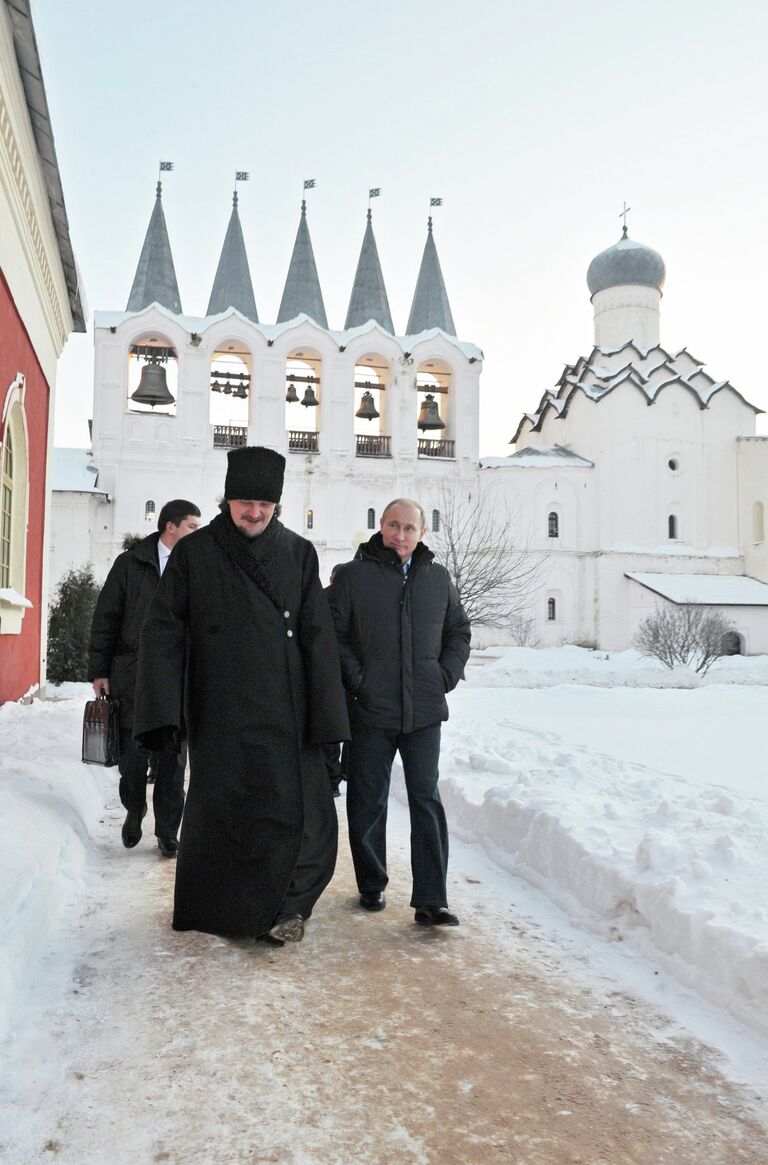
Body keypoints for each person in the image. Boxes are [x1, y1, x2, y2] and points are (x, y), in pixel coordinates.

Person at [133, 446, 349, 946]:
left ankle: (288, 907)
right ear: (227, 499)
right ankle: (221, 908)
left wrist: (329, 720)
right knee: (225, 813)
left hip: (286, 707)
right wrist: (162, 712)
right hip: (219, 706)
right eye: (245, 502)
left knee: (293, 810)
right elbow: (163, 631)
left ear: (278, 504)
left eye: (265, 504)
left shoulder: (298, 553)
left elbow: (318, 638)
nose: (255, 513)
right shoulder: (195, 553)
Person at [328, 498, 471, 926]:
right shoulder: (353, 577)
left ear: (423, 533)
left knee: (425, 797)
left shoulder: (437, 577)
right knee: (367, 798)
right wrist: (358, 680)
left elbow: (459, 631)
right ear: (381, 526)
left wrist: (445, 674)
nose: (401, 535)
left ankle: (432, 898)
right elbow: (333, 637)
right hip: (371, 710)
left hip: (424, 711)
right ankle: (371, 883)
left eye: (410, 528)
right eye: (393, 525)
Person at [88, 499, 201, 857]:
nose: (197, 534)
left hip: (176, 679)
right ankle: (135, 810)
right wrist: (99, 670)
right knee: (132, 761)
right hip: (131, 674)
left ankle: (168, 832)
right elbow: (106, 617)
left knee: (173, 761)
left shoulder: (196, 567)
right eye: (192, 527)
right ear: (171, 526)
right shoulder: (130, 565)